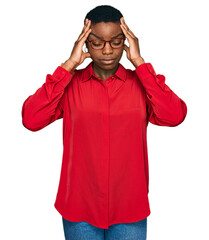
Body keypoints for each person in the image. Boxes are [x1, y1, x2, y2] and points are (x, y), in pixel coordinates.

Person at [21, 5, 187, 240]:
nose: (107, 50)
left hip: (129, 209)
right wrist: (69, 65)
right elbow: (31, 118)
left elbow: (175, 115)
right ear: (85, 44)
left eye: (116, 42)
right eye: (97, 42)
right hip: (79, 209)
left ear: (126, 43)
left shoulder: (140, 85)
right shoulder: (69, 86)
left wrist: (140, 63)